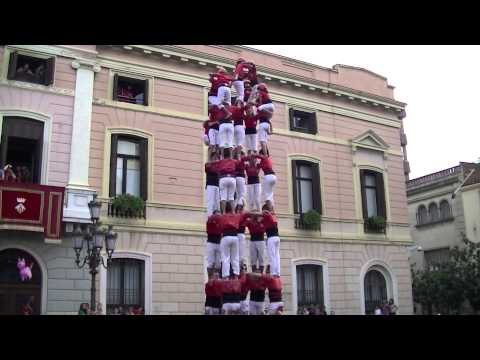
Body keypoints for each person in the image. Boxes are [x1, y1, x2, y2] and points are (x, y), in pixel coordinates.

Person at [218, 202, 249, 279]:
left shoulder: (222, 216)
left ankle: (226, 277)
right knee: (235, 258)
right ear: (232, 209)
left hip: (226, 236)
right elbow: (245, 214)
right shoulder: (236, 216)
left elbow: (220, 228)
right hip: (235, 237)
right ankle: (236, 276)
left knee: (225, 258)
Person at [211, 148, 239, 213]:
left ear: (223, 154)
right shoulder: (233, 161)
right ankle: (233, 212)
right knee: (231, 197)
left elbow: (213, 165)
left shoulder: (221, 161)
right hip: (232, 178)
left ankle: (223, 213)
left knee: (223, 197)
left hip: (223, 178)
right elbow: (239, 163)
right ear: (230, 154)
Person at [261, 203, 281, 277]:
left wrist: (264, 212)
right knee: (277, 256)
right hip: (277, 238)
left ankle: (273, 273)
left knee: (272, 256)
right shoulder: (273, 215)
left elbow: (264, 215)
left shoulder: (267, 216)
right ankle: (277, 272)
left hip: (271, 238)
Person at [254, 84, 274, 155]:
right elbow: (270, 132)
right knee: (264, 141)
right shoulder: (265, 94)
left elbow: (259, 101)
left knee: (262, 141)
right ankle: (266, 154)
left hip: (263, 124)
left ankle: (265, 155)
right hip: (267, 124)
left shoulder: (261, 94)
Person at [206, 210, 222, 278]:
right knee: (210, 263)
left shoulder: (221, 223)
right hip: (211, 243)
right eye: (217, 215)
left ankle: (216, 278)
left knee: (218, 264)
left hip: (219, 243)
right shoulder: (210, 221)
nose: (218, 217)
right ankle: (210, 278)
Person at [205, 151, 220, 216]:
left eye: (217, 157)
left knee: (216, 204)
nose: (216, 158)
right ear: (211, 158)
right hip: (210, 185)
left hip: (217, 186)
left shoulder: (218, 166)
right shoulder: (208, 164)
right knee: (210, 202)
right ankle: (209, 217)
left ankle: (215, 217)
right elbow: (208, 167)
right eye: (214, 157)